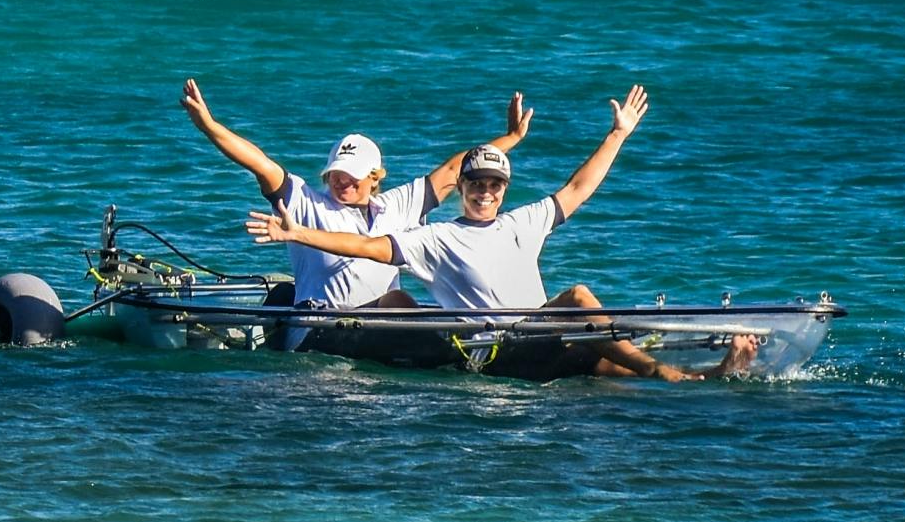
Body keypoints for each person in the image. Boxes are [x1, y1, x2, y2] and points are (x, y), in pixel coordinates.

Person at [244, 84, 756, 380]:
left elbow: (578, 188)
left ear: (503, 188)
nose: (485, 191)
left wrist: (617, 135)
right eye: (475, 183)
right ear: (462, 187)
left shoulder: (522, 222)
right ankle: (661, 371)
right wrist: (298, 234)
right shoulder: (435, 237)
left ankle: (709, 379)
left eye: (493, 184)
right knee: (579, 299)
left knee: (610, 373)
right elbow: (365, 247)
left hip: (541, 338)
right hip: (498, 352)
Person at [181, 78, 532, 321]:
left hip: (380, 327)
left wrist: (511, 138)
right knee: (399, 302)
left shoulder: (398, 205)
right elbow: (258, 162)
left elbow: (457, 168)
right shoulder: (306, 203)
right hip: (320, 330)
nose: (341, 181)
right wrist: (210, 126)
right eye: (336, 173)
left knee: (402, 303)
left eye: (352, 175)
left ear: (374, 177)